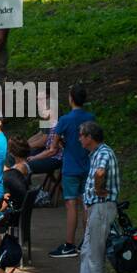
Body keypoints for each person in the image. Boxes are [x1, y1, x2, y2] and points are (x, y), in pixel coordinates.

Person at [62, 121, 120, 273]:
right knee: (87, 251)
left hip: (101, 208)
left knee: (94, 253)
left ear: (89, 137)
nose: (79, 138)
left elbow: (100, 171)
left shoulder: (102, 153)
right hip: (96, 208)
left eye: (81, 135)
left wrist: (97, 188)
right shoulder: (97, 153)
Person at [41, 84, 97, 258]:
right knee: (86, 204)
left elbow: (53, 148)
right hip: (87, 166)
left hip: (71, 168)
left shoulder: (64, 120)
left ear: (71, 98)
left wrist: (35, 158)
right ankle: (86, 241)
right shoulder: (90, 118)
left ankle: (70, 244)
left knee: (71, 205)